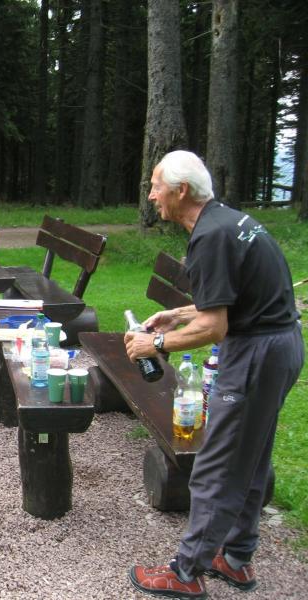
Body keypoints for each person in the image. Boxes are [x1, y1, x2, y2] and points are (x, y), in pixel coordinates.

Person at [125, 150, 303, 599]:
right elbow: (226, 300)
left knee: (217, 463)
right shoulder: (226, 220)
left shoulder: (210, 236)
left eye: (156, 186)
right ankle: (236, 557)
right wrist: (177, 314)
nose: (152, 195)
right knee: (251, 456)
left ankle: (186, 572)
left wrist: (155, 344)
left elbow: (214, 327)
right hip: (278, 345)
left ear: (181, 190)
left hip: (256, 354)